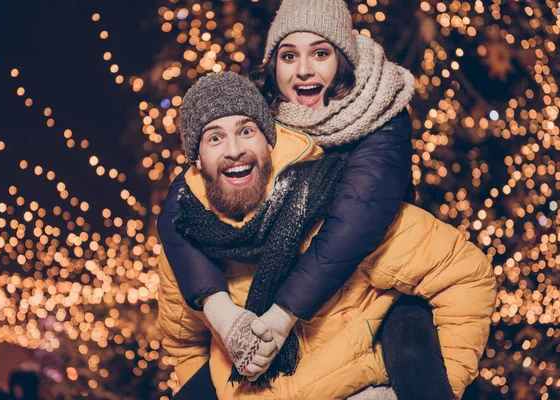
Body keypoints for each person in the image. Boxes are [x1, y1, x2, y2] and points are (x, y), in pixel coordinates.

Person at [157, 0, 459, 399]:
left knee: (413, 353)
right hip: (293, 295)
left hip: (376, 279)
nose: (303, 70)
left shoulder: (379, 114)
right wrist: (219, 308)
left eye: (320, 53)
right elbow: (181, 206)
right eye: (288, 55)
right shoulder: (262, 113)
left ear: (342, 60)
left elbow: (355, 221)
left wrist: (281, 316)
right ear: (274, 64)